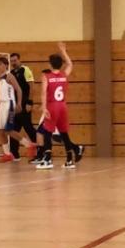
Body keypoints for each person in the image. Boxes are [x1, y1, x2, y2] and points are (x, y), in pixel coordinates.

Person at [36, 42, 84, 170]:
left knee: (47, 132)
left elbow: (43, 93)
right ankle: (69, 160)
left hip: (52, 106)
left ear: (50, 64)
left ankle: (47, 160)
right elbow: (70, 64)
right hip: (63, 106)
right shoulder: (64, 75)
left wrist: (44, 107)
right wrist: (64, 52)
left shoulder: (46, 76)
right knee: (64, 133)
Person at [0, 56, 35, 163]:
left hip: (9, 104)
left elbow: (19, 90)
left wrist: (19, 103)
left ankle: (29, 145)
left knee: (9, 130)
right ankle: (7, 154)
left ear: (6, 65)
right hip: (2, 105)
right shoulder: (1, 76)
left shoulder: (9, 76)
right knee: (0, 130)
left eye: (0, 64)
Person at [8, 53, 37, 159]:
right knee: (13, 129)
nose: (13, 63)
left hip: (24, 104)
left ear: (19, 60)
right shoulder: (11, 73)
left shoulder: (25, 70)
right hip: (15, 106)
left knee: (29, 128)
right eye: (11, 61)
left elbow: (32, 86)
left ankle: (41, 151)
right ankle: (14, 153)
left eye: (15, 60)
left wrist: (30, 102)